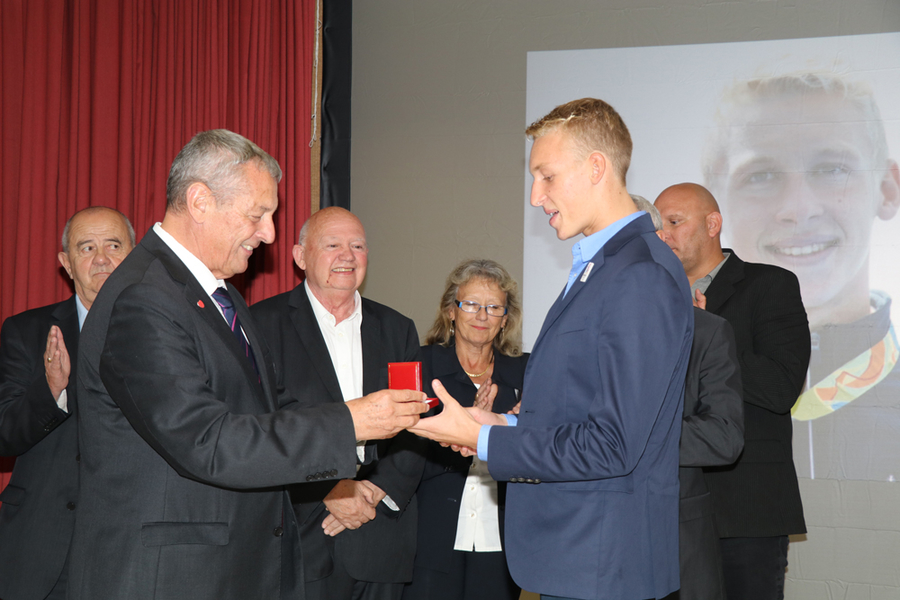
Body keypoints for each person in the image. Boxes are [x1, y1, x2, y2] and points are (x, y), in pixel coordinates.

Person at [66, 130, 427, 600]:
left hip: (225, 569)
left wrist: (390, 422)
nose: (270, 234)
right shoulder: (143, 298)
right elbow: (207, 441)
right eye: (257, 215)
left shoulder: (220, 294)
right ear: (199, 201)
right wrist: (351, 421)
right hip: (169, 577)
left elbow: (269, 405)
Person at [412, 98, 694, 600]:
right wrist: (501, 424)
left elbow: (614, 445)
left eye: (546, 177)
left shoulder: (639, 276)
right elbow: (582, 408)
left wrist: (485, 444)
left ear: (595, 168)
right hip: (582, 560)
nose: (536, 196)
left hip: (604, 566)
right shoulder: (604, 267)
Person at [702, 71, 900, 481]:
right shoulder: (685, 376)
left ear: (887, 188)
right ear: (717, 207)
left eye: (831, 169)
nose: (798, 208)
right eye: (761, 175)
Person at [251, 206, 426, 600]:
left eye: (357, 246)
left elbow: (416, 421)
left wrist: (376, 490)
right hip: (303, 532)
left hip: (382, 532)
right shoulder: (262, 324)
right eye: (332, 245)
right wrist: (331, 488)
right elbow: (261, 424)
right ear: (300, 256)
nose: (347, 256)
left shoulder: (398, 328)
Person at [654, 182, 810, 600]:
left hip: (744, 512)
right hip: (668, 510)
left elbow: (780, 387)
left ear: (713, 224)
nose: (663, 234)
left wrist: (706, 336)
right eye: (658, 225)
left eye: (674, 222)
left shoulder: (769, 285)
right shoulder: (649, 299)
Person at [0, 207, 134, 600]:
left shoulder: (164, 331)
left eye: (113, 245)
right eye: (86, 247)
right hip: (43, 549)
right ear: (66, 263)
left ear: (135, 255)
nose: (102, 258)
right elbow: (4, 434)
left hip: (132, 548)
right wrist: (51, 390)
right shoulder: (27, 331)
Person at [634, 195, 744, 600]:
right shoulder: (582, 330)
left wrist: (632, 437)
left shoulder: (705, 331)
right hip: (591, 545)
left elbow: (724, 437)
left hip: (678, 546)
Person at [402, 258, 527, 600]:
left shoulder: (526, 374)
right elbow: (400, 452)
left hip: (502, 540)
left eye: (493, 307)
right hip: (431, 537)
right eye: (471, 304)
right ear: (451, 311)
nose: (482, 315)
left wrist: (498, 429)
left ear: (506, 319)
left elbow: (536, 451)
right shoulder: (420, 367)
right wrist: (466, 433)